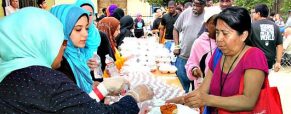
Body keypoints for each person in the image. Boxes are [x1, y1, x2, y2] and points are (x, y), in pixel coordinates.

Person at [0, 7, 153, 113]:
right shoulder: (45, 77)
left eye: (87, 28)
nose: (63, 46)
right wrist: (133, 96)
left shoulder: (11, 73)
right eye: (59, 40)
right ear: (42, 41)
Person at [168, 7, 269, 113]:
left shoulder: (254, 56)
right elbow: (202, 91)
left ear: (243, 35)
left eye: (225, 33)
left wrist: (208, 99)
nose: (219, 38)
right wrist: (173, 102)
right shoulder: (218, 54)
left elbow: (248, 101)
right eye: (217, 32)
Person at [51, 5, 122, 102]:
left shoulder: (78, 54)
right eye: (78, 29)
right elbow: (76, 104)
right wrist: (103, 90)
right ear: (63, 29)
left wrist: (93, 86)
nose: (85, 34)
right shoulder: (59, 62)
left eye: (87, 28)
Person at [173, 0, 206, 93]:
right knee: (181, 90)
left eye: (198, 5)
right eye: (194, 5)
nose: (194, 7)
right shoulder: (186, 12)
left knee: (197, 91)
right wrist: (177, 46)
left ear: (204, 5)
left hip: (199, 61)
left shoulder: (208, 15)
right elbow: (175, 29)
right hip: (183, 57)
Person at [185, 13, 218, 90]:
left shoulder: (226, 42)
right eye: (214, 23)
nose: (217, 27)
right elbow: (191, 63)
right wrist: (194, 70)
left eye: (219, 24)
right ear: (206, 25)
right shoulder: (199, 43)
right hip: (202, 86)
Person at [250, 4, 283, 72]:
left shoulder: (252, 26)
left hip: (255, 62)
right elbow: (280, 45)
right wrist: (278, 62)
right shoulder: (275, 26)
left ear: (258, 13)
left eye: (254, 13)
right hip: (269, 63)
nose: (253, 14)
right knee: (266, 80)